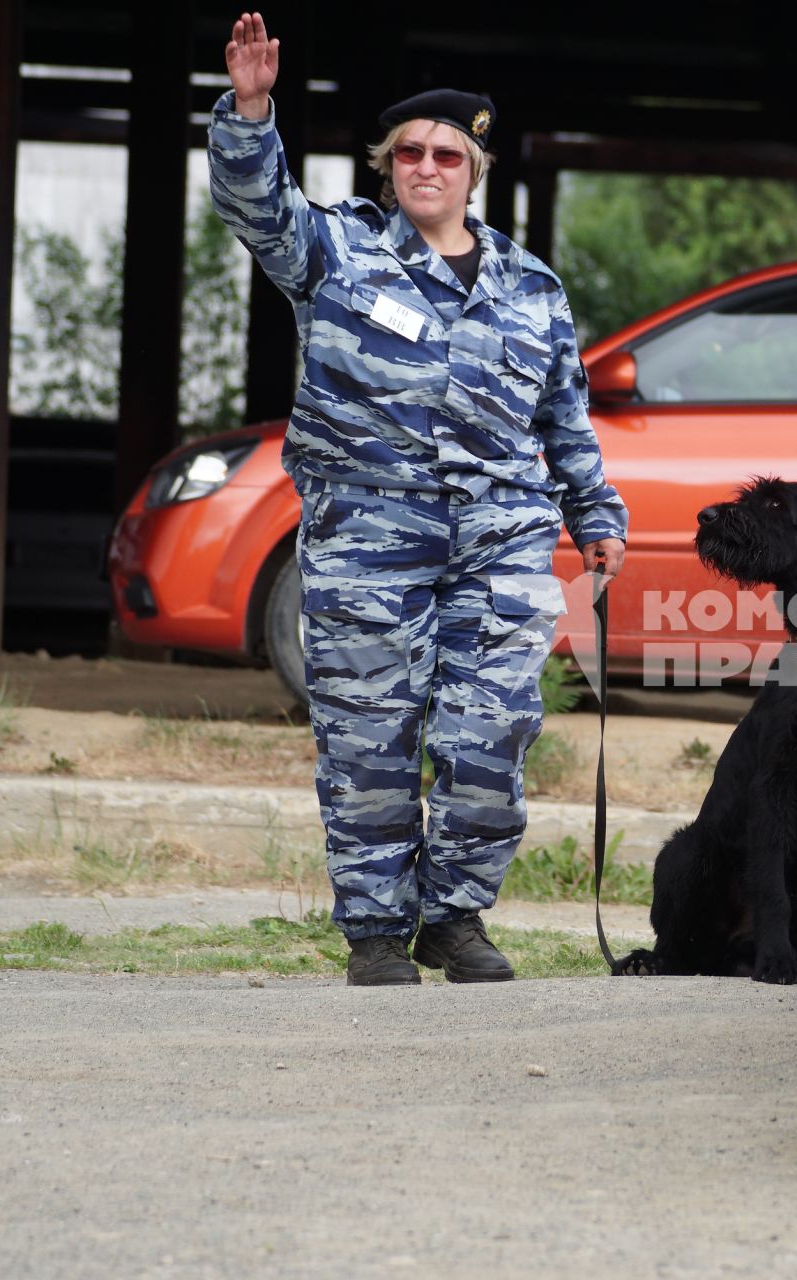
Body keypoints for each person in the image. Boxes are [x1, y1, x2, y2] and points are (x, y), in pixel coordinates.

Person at [211, 12, 627, 985]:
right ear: (386, 166)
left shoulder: (532, 287)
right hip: (368, 531)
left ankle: (454, 917)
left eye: (446, 152)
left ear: (472, 170)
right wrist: (250, 110)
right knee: (368, 737)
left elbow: (564, 414)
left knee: (492, 737)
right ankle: (372, 930)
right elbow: (255, 206)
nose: (427, 165)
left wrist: (595, 515)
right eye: (408, 152)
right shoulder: (335, 255)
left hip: (501, 540)